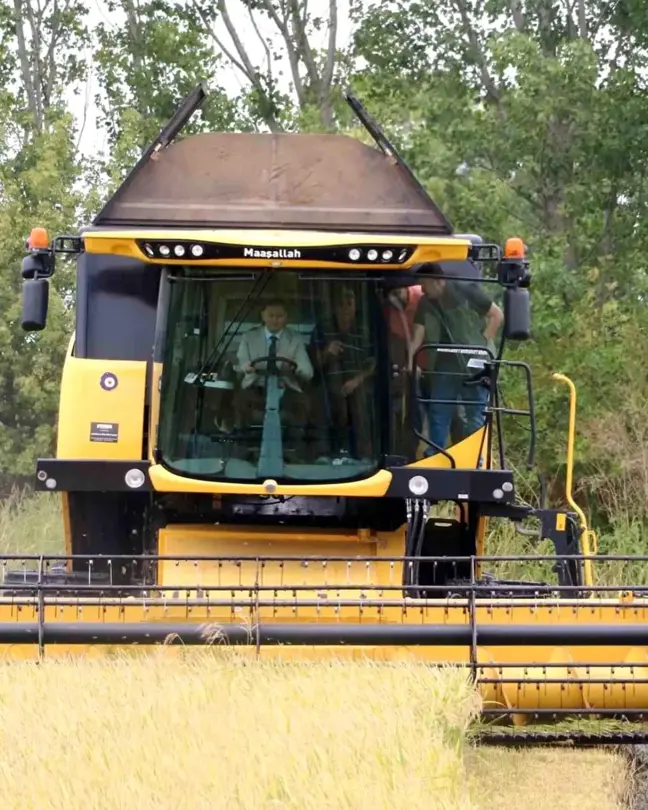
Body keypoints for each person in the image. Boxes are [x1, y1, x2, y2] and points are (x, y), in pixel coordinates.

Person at [411, 264, 503, 454]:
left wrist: (481, 344)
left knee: (475, 416)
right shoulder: (424, 303)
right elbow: (417, 335)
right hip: (445, 365)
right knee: (438, 413)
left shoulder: (466, 291)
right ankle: (436, 455)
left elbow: (496, 315)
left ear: (439, 282)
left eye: (424, 284)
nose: (421, 289)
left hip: (475, 366)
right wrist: (409, 361)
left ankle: (475, 456)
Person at [312, 286, 376, 460]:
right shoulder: (322, 328)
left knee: (361, 402)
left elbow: (375, 363)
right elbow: (312, 363)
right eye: (341, 304)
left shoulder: (365, 330)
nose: (346, 307)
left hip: (358, 382)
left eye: (350, 302)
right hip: (327, 382)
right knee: (319, 400)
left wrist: (356, 381)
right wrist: (326, 352)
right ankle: (322, 454)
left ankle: (364, 456)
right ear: (334, 307)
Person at [235, 299, 313, 428]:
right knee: (238, 403)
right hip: (254, 386)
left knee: (303, 404)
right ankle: (241, 439)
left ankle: (297, 443)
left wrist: (294, 367)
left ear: (286, 317)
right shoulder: (248, 337)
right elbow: (241, 362)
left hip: (286, 388)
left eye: (279, 316)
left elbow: (308, 372)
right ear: (263, 316)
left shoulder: (296, 339)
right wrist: (246, 367)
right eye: (271, 315)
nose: (275, 320)